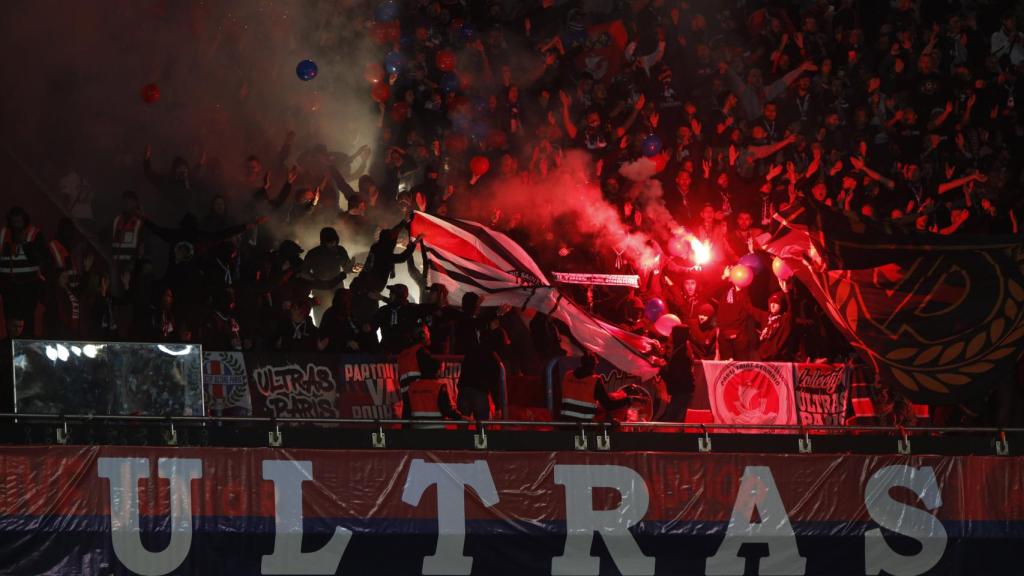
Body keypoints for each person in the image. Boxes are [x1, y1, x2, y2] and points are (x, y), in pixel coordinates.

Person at [0, 207, 45, 335]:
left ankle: (26, 342)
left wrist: (25, 244)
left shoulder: (34, 234)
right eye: (13, 221)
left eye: (19, 221)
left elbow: (39, 260)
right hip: (8, 288)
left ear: (25, 220)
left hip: (29, 287)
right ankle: (10, 344)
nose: (16, 225)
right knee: (10, 323)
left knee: (27, 322)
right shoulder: (3, 233)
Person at [559, 352, 634, 422]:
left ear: (581, 362)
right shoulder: (594, 381)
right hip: (583, 425)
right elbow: (608, 405)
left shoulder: (568, 376)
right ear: (594, 365)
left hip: (565, 423)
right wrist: (628, 400)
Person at [299, 226, 351, 324]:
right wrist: (316, 280)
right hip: (320, 290)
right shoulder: (313, 253)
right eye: (329, 242)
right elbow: (304, 272)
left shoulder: (340, 250)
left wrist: (352, 266)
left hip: (337, 289)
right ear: (323, 241)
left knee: (339, 315)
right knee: (320, 316)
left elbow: (347, 266)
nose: (333, 244)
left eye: (334, 241)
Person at [457, 326, 506, 421]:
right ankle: (480, 432)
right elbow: (494, 384)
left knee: (462, 424)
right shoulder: (493, 358)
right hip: (479, 393)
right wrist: (498, 406)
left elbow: (464, 369)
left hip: (463, 391)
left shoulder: (473, 349)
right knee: (482, 426)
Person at [396, 324, 441, 418]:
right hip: (420, 397)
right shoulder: (420, 352)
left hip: (407, 397)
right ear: (422, 335)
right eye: (427, 332)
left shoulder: (403, 354)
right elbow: (429, 372)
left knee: (407, 422)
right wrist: (437, 364)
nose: (429, 335)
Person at [407, 360, 464, 429]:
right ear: (436, 371)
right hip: (436, 427)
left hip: (416, 428)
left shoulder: (412, 387)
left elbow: (407, 409)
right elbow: (446, 409)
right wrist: (460, 416)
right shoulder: (438, 387)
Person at [660, 325, 695, 422]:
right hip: (682, 392)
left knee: (672, 421)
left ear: (678, 335)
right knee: (676, 420)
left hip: (681, 393)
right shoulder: (681, 349)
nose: (670, 336)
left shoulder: (681, 354)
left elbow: (675, 376)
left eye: (672, 334)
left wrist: (661, 369)